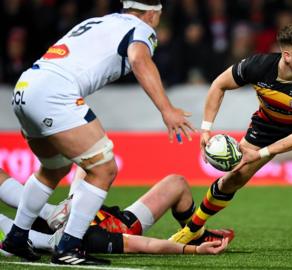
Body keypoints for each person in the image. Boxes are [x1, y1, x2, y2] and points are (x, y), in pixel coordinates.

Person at [3, 0, 194, 265]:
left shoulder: (100, 21)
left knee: (54, 169)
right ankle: (68, 247)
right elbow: (139, 59)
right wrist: (166, 108)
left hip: (26, 86)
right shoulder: (141, 27)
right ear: (152, 13)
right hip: (54, 93)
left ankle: (16, 237)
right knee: (104, 169)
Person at [169, 24, 292, 257]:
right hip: (267, 125)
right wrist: (206, 130)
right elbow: (219, 85)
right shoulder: (258, 66)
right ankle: (192, 229)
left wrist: (259, 153)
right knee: (234, 177)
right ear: (287, 56)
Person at [0, 169, 232, 255]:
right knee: (176, 183)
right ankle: (197, 235)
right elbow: (146, 245)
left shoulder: (63, 214)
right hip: (126, 224)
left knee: (89, 165)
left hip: (78, 212)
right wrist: (194, 250)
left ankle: (196, 231)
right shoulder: (89, 237)